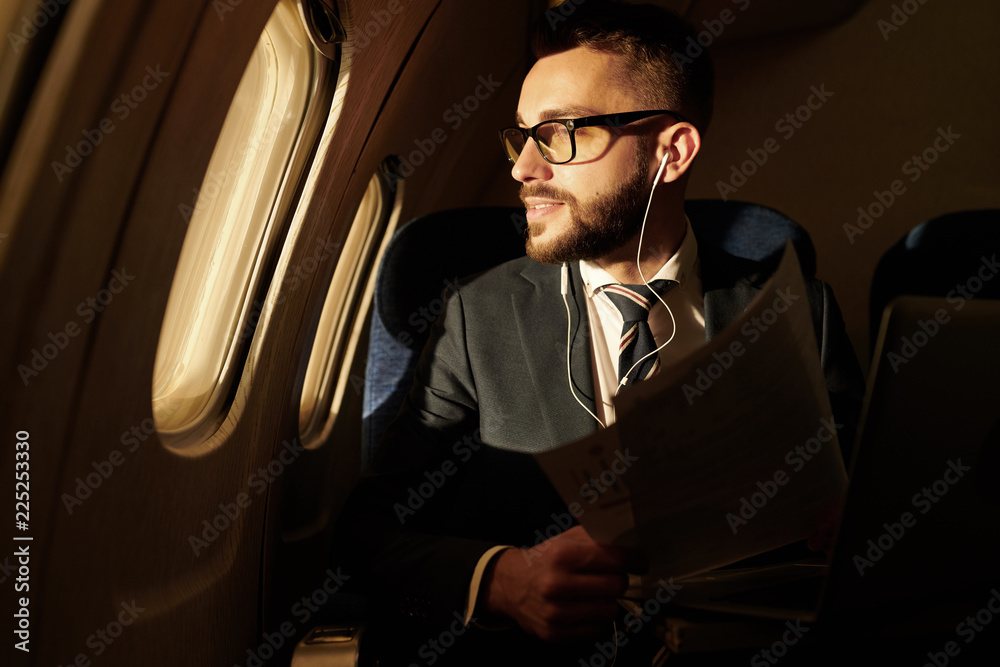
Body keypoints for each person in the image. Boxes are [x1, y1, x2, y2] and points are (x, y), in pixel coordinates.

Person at [334, 1, 864, 663]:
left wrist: (845, 529)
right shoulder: (477, 318)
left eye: (559, 134)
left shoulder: (800, 313)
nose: (523, 168)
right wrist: (503, 580)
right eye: (523, 135)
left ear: (671, 152)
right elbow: (366, 531)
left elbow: (863, 514)